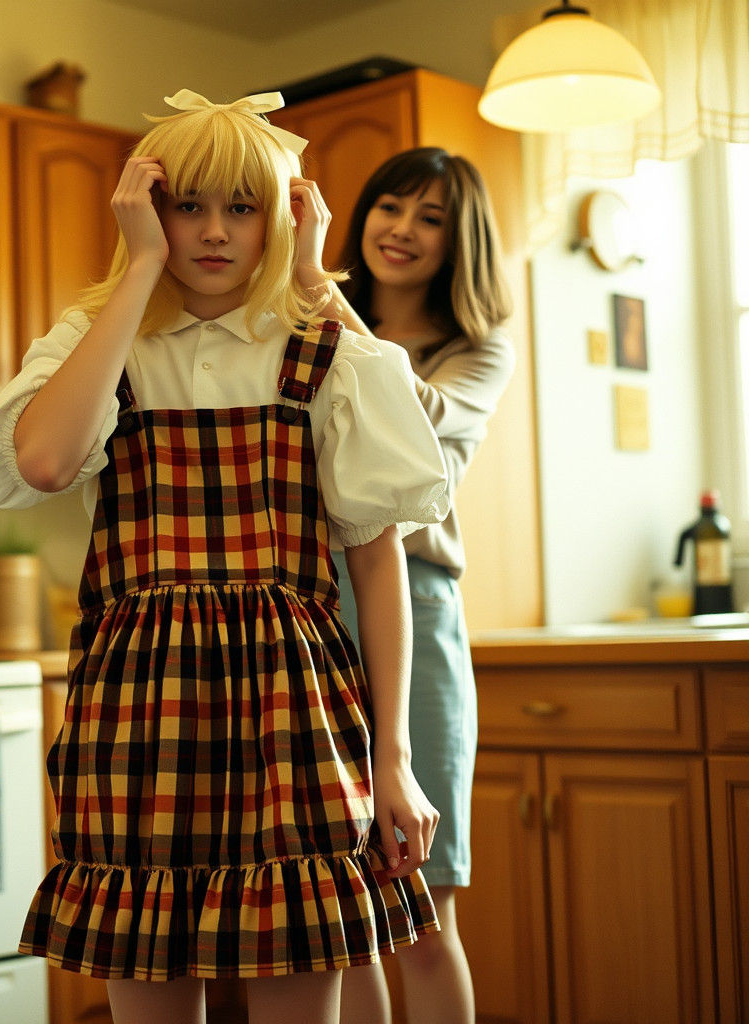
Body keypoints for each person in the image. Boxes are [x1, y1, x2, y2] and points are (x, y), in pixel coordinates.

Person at [0, 91, 452, 1024]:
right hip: (135, 715)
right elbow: (41, 460)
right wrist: (138, 270)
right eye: (186, 206)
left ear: (281, 217)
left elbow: (377, 561)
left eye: (243, 207)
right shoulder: (99, 346)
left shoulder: (327, 356)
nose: (215, 233)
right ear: (145, 210)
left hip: (295, 713)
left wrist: (392, 759)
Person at [290, 147, 515, 1024]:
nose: (404, 230)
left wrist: (315, 285)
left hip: (413, 607)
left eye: (431, 218)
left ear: (459, 243)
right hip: (305, 609)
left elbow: (407, 406)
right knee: (340, 914)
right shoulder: (301, 321)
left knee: (419, 906)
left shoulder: (474, 354)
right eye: (392, 207)